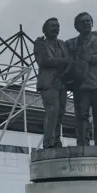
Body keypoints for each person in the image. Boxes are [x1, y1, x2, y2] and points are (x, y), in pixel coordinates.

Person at [66, 12, 97, 146]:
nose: (87, 23)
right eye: (83, 22)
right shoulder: (70, 43)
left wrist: (91, 58)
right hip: (80, 84)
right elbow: (67, 62)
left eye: (89, 21)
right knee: (81, 114)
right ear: (77, 26)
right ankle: (82, 141)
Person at [33, 17, 70, 149]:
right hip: (48, 83)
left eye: (57, 26)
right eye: (52, 26)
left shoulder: (62, 44)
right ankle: (48, 142)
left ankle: (56, 140)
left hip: (61, 82)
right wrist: (62, 61)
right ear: (45, 30)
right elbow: (43, 61)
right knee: (52, 111)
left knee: (60, 113)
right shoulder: (40, 44)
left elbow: (69, 60)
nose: (55, 28)